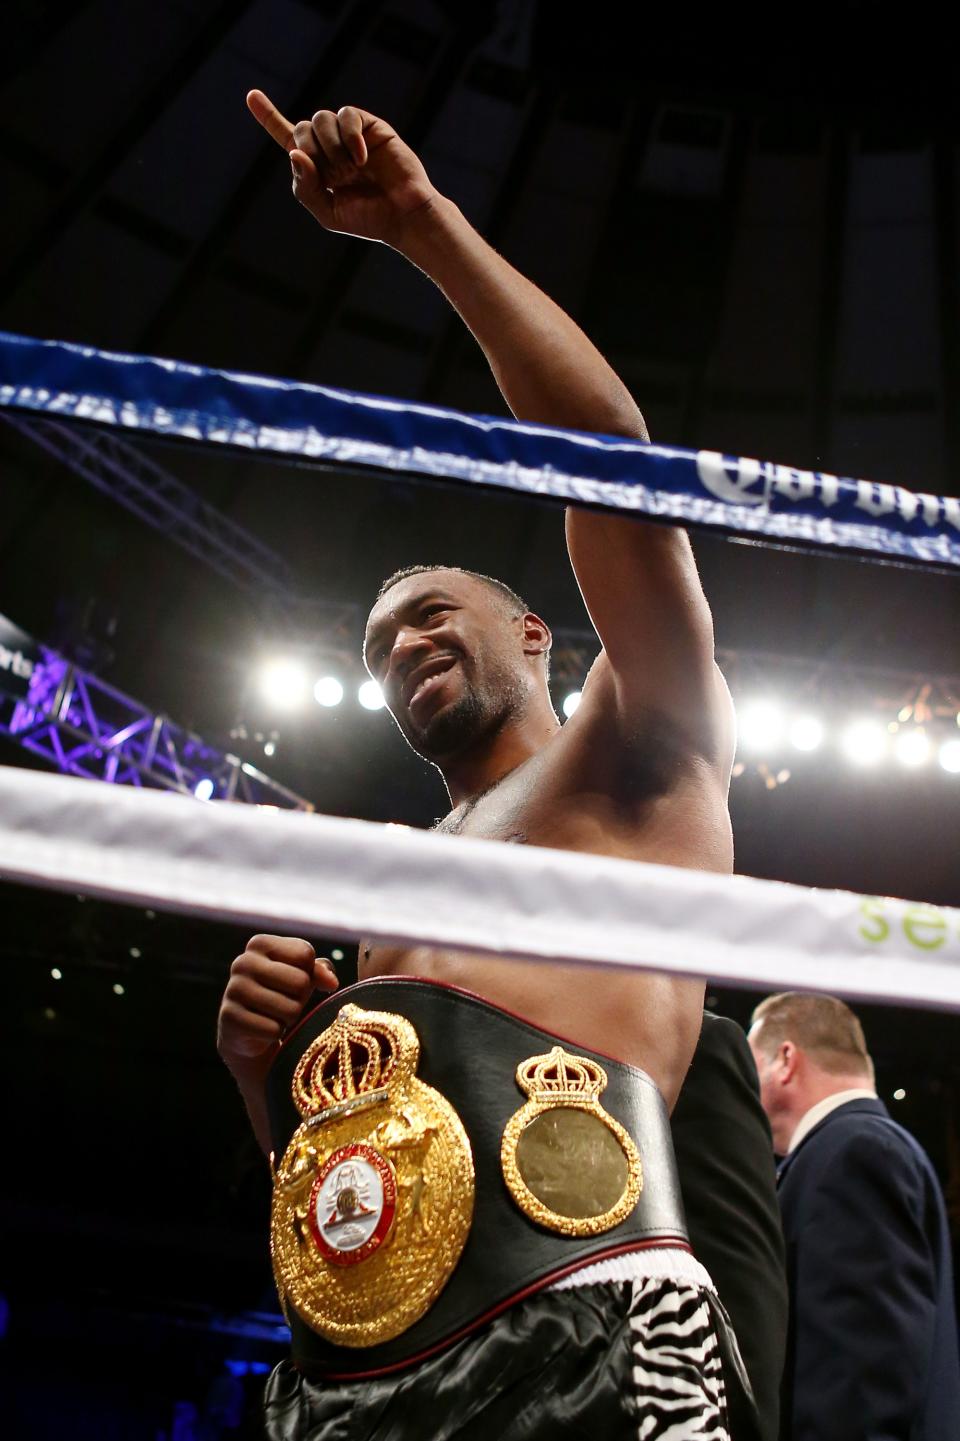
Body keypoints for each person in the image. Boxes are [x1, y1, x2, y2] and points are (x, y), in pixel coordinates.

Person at [217, 92, 784, 1440]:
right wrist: (258, 1065)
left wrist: (421, 225)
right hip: (362, 1375)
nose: (399, 645)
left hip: (593, 1320)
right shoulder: (386, 885)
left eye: (428, 614)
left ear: (534, 634)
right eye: (373, 646)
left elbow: (619, 469)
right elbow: (359, 1188)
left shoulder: (633, 752)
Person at [747, 991, 960, 1441]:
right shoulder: (859, 1148)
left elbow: (861, 1383)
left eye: (750, 1067)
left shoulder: (852, 1152)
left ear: (785, 1060)